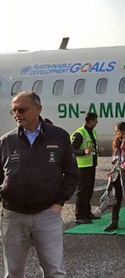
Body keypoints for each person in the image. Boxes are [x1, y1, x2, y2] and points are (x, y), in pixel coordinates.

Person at [0, 91, 79, 277]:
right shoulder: (7, 141)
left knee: (54, 271)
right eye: (14, 111)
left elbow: (72, 173)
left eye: (22, 110)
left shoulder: (58, 136)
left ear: (38, 109)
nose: (17, 114)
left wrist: (59, 202)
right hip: (13, 216)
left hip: (47, 214)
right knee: (13, 272)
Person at [71, 112, 99, 224]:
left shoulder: (93, 132)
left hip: (91, 165)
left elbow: (91, 147)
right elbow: (71, 149)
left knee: (89, 190)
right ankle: (79, 215)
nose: (97, 122)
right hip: (82, 166)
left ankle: (87, 212)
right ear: (90, 121)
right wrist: (83, 152)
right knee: (82, 191)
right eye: (95, 120)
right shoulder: (80, 133)